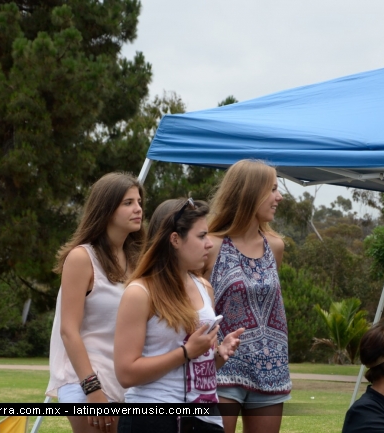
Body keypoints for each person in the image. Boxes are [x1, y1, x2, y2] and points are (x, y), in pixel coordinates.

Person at [114, 198, 245, 433]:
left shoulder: (204, 288)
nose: (209, 244)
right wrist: (186, 352)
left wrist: (218, 354)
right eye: (201, 236)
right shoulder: (140, 293)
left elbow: (195, 368)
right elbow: (126, 374)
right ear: (175, 239)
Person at [46, 172, 144, 433]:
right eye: (128, 203)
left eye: (139, 202)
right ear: (106, 209)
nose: (138, 209)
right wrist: (93, 390)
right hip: (86, 382)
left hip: (123, 381)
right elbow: (69, 331)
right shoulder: (81, 258)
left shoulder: (137, 260)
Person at [203, 159, 291, 433]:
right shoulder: (210, 245)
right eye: (272, 189)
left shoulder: (275, 246)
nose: (279, 197)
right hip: (221, 367)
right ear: (250, 193)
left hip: (271, 370)